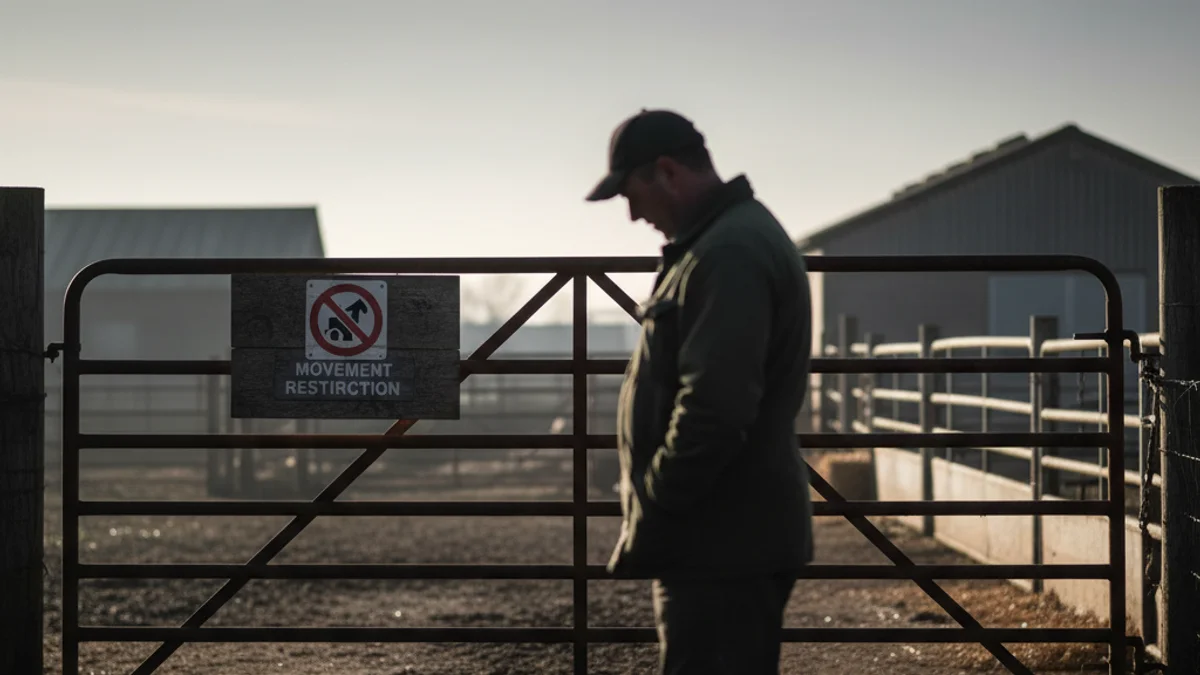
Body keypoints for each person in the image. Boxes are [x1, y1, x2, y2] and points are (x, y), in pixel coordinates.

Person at [584, 108, 816, 675]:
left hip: (720, 540)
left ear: (666, 171)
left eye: (631, 193)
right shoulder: (719, 244)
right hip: (721, 535)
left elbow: (714, 406)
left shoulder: (728, 253)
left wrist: (659, 502)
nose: (633, 213)